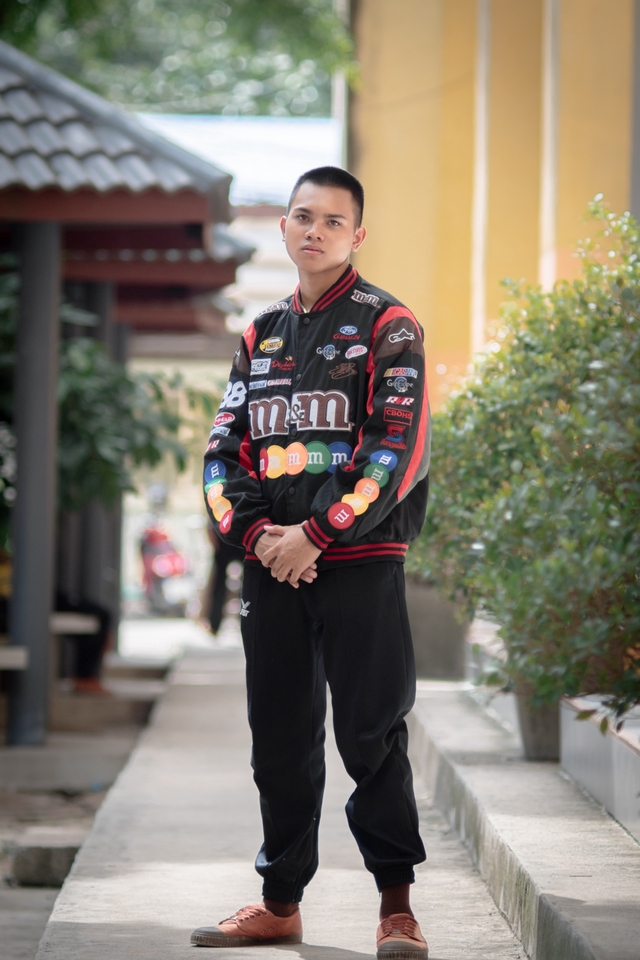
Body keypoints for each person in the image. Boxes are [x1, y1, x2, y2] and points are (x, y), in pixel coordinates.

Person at [194, 166, 431, 959]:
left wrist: (317, 534)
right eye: (303, 217)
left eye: (333, 221)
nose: (315, 231)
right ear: (284, 227)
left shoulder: (389, 325)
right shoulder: (258, 334)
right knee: (280, 738)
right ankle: (279, 903)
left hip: (360, 560)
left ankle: (396, 909)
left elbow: (393, 449)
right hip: (271, 569)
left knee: (372, 736)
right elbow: (222, 454)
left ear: (356, 235)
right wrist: (260, 536)